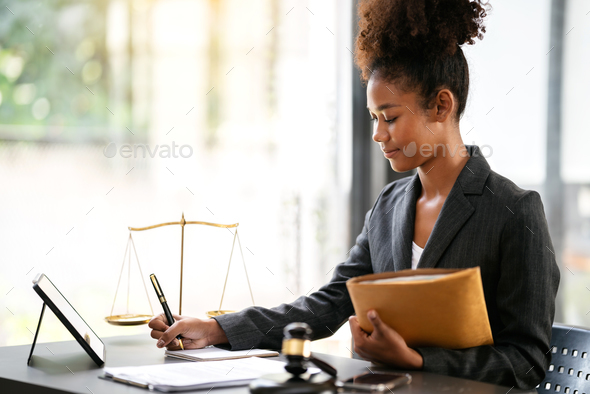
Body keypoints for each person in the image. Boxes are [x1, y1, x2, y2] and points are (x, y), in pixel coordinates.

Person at [149, 0, 560, 389]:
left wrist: (417, 360)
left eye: (391, 118)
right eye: (373, 118)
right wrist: (218, 329)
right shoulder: (390, 205)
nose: (379, 134)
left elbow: (527, 360)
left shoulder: (513, 211)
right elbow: (331, 302)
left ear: (441, 105)